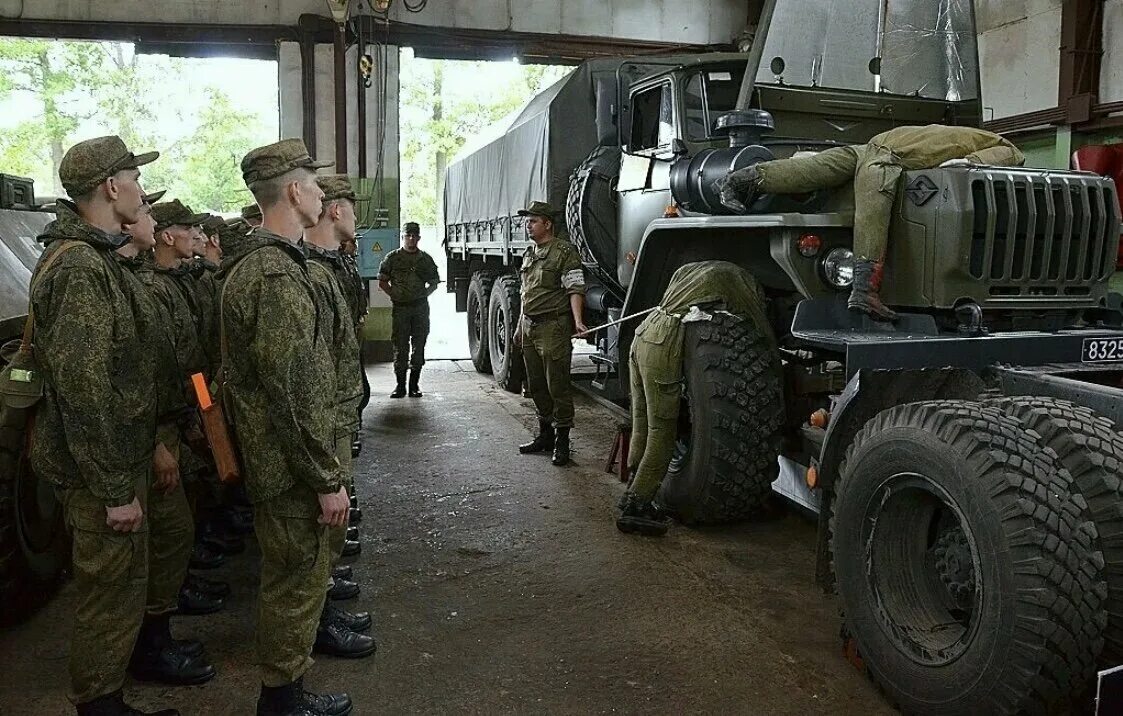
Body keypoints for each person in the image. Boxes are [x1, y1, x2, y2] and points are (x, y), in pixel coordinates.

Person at [28, 135, 180, 716]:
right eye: (135, 180)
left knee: (120, 588)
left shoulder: (96, 260)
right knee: (107, 592)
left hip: (115, 461)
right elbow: (84, 391)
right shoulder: (81, 270)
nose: (141, 191)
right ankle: (98, 705)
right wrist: (116, 491)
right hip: (99, 472)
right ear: (111, 187)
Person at [218, 138, 353, 716]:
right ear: (294, 192)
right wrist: (327, 477)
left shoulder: (274, 266)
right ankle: (282, 698)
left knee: (294, 576)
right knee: (294, 581)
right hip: (291, 467)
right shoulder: (276, 276)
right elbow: (293, 392)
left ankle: (284, 690)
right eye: (314, 184)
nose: (322, 194)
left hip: (285, 461)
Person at [716, 124, 1025, 321]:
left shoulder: (964, 134)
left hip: (874, 145)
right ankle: (864, 290)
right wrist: (974, 164)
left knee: (812, 169)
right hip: (887, 154)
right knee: (873, 206)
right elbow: (999, 156)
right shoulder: (1001, 145)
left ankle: (737, 181)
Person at [118, 194, 221, 684]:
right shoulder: (149, 287)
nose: (198, 237)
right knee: (169, 532)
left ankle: (165, 617)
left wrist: (204, 411)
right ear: (167, 237)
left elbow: (190, 357)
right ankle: (150, 642)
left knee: (182, 525)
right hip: (157, 425)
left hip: (183, 411)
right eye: (186, 228)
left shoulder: (175, 284)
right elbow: (147, 373)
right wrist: (161, 437)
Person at [615, 261, 776, 536]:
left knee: (641, 422)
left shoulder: (683, 288)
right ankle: (635, 504)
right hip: (662, 344)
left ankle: (633, 481)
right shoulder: (733, 279)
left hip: (645, 333)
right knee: (661, 434)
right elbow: (753, 312)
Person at [303, 174, 376, 657]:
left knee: (324, 539)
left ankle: (323, 607)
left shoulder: (329, 266)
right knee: (314, 538)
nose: (354, 216)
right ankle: (316, 626)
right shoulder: (305, 271)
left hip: (336, 414)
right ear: (334, 210)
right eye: (350, 207)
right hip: (321, 423)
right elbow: (303, 374)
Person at [514, 201, 587, 467]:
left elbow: (575, 288)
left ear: (547, 224)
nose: (528, 225)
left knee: (557, 385)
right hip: (530, 327)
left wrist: (577, 321)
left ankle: (563, 441)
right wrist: (519, 325)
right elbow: (526, 293)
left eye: (533, 220)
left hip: (553, 328)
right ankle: (545, 435)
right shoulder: (529, 253)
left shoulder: (564, 252)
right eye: (527, 221)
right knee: (536, 385)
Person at [377, 221, 440, 398]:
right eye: (408, 236)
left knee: (418, 347)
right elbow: (382, 281)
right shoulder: (393, 258)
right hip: (401, 309)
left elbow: (434, 282)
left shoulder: (425, 259)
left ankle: (414, 385)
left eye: (414, 236)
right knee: (400, 347)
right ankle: (400, 386)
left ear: (419, 237)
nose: (411, 239)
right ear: (403, 237)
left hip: (420, 309)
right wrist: (395, 295)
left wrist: (422, 295)